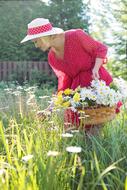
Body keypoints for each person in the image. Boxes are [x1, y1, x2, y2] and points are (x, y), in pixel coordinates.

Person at [20, 18, 121, 133]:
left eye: (36, 41)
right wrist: (49, 109)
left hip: (96, 82)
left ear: (47, 35)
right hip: (79, 91)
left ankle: (96, 149)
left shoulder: (76, 36)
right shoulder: (52, 58)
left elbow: (100, 49)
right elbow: (64, 85)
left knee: (95, 127)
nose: (36, 46)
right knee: (76, 128)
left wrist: (96, 68)